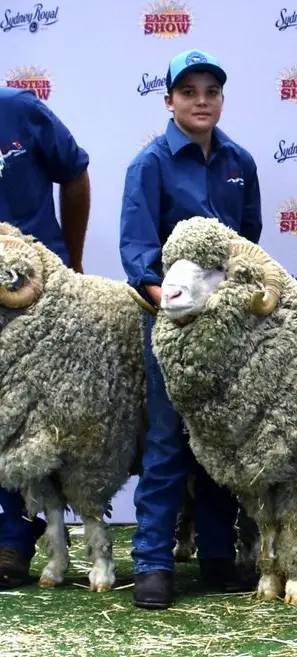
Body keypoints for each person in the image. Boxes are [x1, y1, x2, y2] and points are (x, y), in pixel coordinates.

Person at [119, 48, 261, 609]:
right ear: (169, 100)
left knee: (222, 441)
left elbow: (249, 243)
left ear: (221, 99)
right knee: (166, 440)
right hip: (172, 327)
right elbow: (137, 255)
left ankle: (218, 556)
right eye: (189, 92)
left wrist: (228, 307)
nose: (201, 101)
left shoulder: (239, 161)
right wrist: (178, 307)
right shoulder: (149, 164)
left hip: (228, 332)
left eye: (211, 92)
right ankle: (153, 562)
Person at [0, 86, 90, 588]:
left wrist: (69, 259)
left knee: (30, 416)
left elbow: (74, 171)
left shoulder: (20, 110)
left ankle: (16, 533)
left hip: (33, 287)